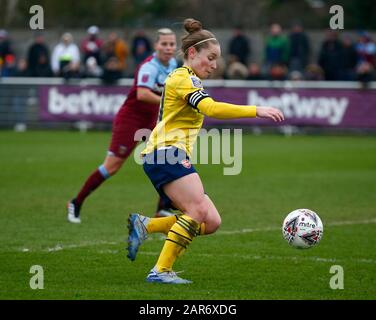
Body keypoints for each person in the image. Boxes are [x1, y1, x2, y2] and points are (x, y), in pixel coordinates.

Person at [126, 18, 284, 284]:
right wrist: (256, 109)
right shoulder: (182, 78)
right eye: (210, 58)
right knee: (197, 211)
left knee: (211, 221)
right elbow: (211, 108)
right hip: (165, 152)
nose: (213, 65)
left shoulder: (188, 79)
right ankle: (160, 271)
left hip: (168, 154)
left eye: (216, 60)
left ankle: (147, 225)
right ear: (192, 53)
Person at [67, 28, 178, 223]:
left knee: (169, 156)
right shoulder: (149, 67)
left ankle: (163, 208)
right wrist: (168, 101)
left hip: (151, 120)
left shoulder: (173, 65)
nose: (168, 48)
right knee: (112, 167)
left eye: (171, 44)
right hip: (131, 120)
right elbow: (142, 94)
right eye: (164, 44)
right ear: (156, 45)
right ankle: (76, 202)